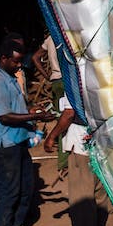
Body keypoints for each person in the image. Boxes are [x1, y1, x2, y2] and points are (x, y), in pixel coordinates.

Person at [0, 37, 53, 226]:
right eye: (15, 61)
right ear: (3, 58)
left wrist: (32, 111)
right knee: (9, 189)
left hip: (17, 139)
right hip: (4, 143)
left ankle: (16, 225)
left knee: (25, 185)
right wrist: (36, 118)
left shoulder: (10, 76)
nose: (19, 65)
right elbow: (4, 117)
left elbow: (16, 108)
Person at [42, 92, 109, 226]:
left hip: (81, 144)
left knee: (82, 199)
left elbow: (69, 113)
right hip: (101, 142)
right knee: (99, 195)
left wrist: (51, 136)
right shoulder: (99, 75)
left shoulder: (75, 77)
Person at [33, 35, 67, 175]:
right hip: (66, 82)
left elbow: (35, 57)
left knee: (61, 119)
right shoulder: (66, 34)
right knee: (67, 120)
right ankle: (64, 162)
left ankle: (63, 160)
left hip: (56, 82)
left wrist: (48, 76)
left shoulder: (50, 38)